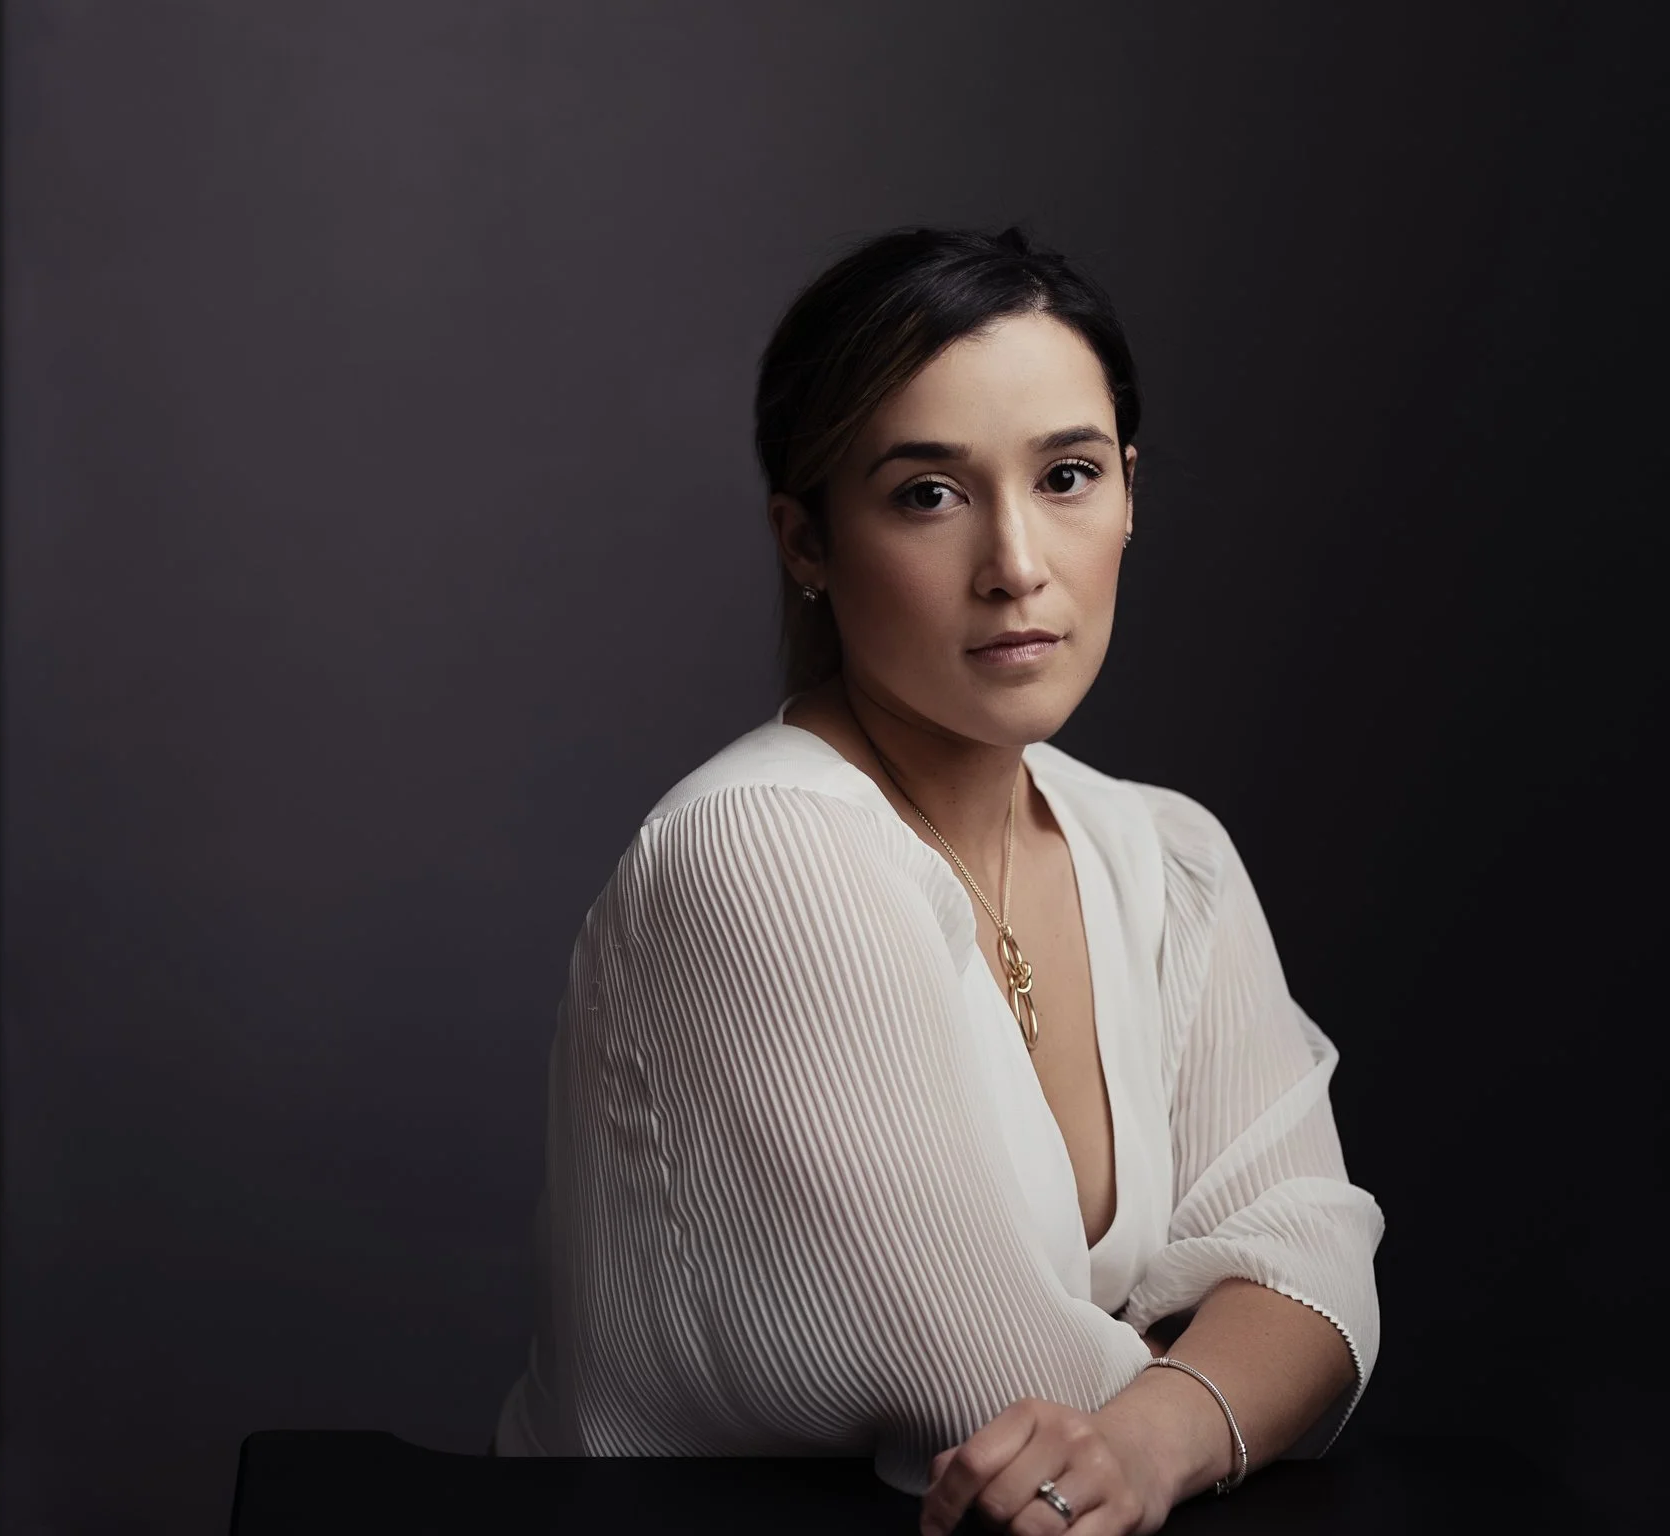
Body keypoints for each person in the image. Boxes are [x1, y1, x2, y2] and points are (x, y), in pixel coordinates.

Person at [490, 226, 1383, 1536]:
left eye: (1068, 477)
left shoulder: (1166, 855)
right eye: (928, 494)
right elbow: (997, 1384)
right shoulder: (763, 856)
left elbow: (1318, 1258)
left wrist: (1153, 1432)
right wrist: (1200, 1399)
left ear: (1131, 492)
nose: (1017, 561)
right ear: (807, 539)